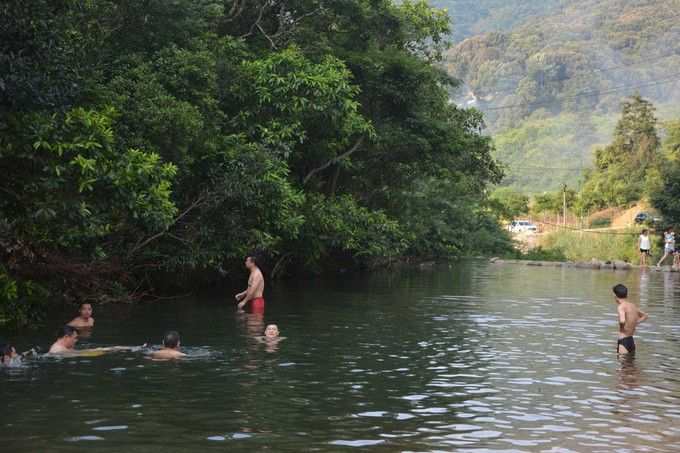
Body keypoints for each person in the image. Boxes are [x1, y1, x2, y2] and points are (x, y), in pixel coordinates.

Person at [613, 284, 648, 355]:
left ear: (615, 295)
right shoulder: (633, 305)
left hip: (623, 341)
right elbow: (644, 316)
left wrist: (623, 328)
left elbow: (622, 320)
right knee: (631, 364)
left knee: (623, 364)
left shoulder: (621, 307)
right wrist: (633, 323)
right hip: (631, 341)